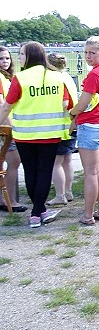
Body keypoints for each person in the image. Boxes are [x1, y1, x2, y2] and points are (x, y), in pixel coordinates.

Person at [0, 42, 76, 227]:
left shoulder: (21, 78)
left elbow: (7, 106)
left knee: (30, 171)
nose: (19, 58)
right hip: (50, 133)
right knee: (43, 172)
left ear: (30, 56)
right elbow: (69, 104)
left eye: (22, 54)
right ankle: (39, 212)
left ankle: (36, 212)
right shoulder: (57, 77)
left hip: (25, 134)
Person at [69, 35, 99, 226]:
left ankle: (88, 215)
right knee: (98, 171)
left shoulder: (95, 74)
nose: (88, 56)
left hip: (92, 125)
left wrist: (72, 112)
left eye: (92, 53)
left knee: (90, 173)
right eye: (86, 52)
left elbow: (84, 103)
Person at [46, 53, 79, 206]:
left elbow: (64, 102)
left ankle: (60, 194)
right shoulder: (67, 77)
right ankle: (68, 191)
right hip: (71, 124)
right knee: (67, 160)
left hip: (60, 126)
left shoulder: (56, 79)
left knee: (56, 163)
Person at [0, 46, 26, 213]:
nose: (5, 62)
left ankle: (5, 200)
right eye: (1, 59)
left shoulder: (7, 77)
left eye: (7, 58)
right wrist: (11, 127)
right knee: (14, 161)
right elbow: (2, 105)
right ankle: (11, 201)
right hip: (5, 127)